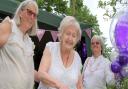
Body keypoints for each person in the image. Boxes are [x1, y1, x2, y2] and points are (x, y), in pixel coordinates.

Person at [0, 0, 38, 89]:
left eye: (35, 15)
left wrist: (49, 79)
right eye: (29, 12)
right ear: (20, 12)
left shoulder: (29, 41)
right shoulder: (9, 26)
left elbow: (28, 70)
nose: (32, 17)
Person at [38, 16, 83, 89]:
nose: (70, 38)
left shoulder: (77, 58)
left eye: (74, 36)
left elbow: (79, 85)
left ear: (77, 39)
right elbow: (41, 74)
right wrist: (59, 85)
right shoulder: (51, 48)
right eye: (68, 34)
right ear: (61, 34)